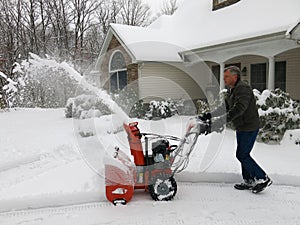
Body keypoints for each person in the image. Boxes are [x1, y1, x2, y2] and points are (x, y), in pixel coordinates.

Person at [211, 65, 272, 194]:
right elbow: (225, 107)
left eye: (226, 76)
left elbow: (239, 108)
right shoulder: (232, 89)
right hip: (242, 126)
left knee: (242, 155)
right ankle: (249, 180)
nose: (224, 79)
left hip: (249, 126)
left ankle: (262, 178)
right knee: (243, 154)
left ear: (235, 76)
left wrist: (222, 120)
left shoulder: (242, 88)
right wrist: (209, 115)